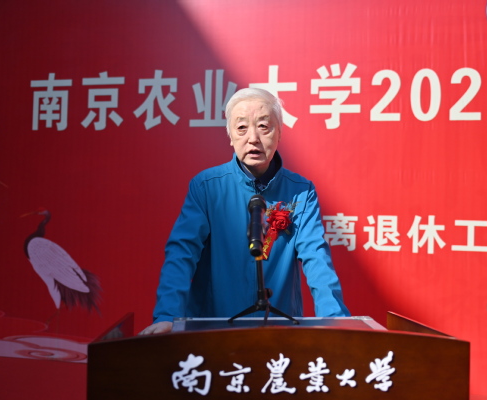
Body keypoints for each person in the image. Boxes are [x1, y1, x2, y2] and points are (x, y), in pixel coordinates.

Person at [140, 88, 349, 335]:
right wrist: (167, 316)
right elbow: (182, 255)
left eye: (263, 127)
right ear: (230, 135)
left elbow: (316, 258)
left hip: (278, 329)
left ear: (280, 133)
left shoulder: (301, 191)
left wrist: (335, 321)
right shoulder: (207, 187)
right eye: (241, 128)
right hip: (212, 330)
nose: (253, 138)